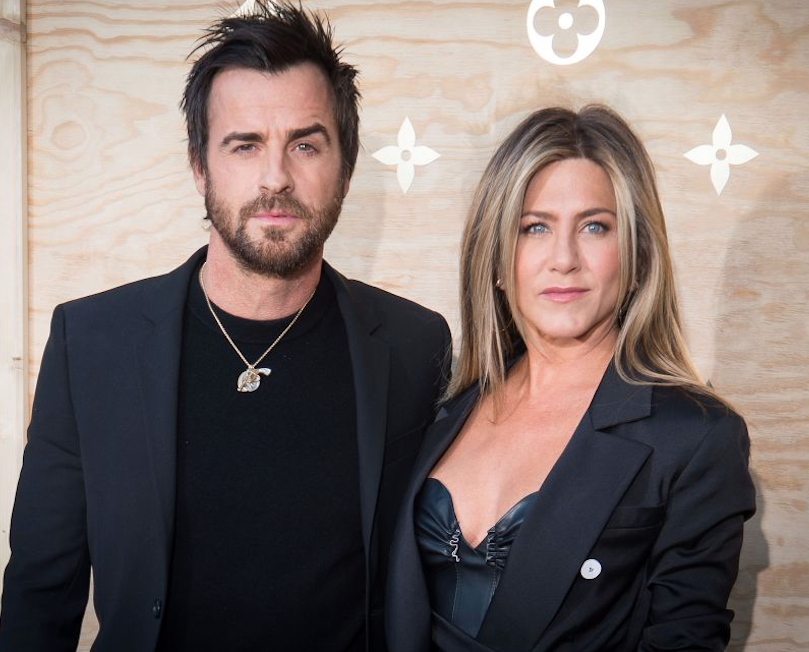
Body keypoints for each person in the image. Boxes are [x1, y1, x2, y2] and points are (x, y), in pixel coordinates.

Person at [0, 3, 450, 651]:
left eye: (305, 144)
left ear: (346, 167)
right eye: (245, 145)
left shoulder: (415, 345)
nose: (276, 178)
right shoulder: (92, 343)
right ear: (199, 166)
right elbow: (40, 595)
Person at [385, 105, 756, 651]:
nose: (564, 259)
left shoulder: (696, 437)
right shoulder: (441, 407)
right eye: (534, 227)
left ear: (636, 256)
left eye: (594, 227)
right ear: (496, 259)